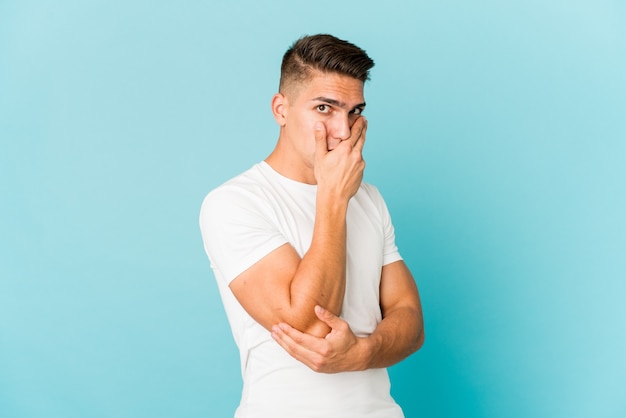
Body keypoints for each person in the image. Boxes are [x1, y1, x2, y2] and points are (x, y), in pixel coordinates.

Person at [199, 34, 424, 418]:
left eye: (354, 112)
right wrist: (333, 199)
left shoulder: (368, 198)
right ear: (280, 109)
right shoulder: (234, 203)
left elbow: (410, 318)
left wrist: (364, 352)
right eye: (324, 108)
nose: (341, 130)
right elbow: (309, 325)